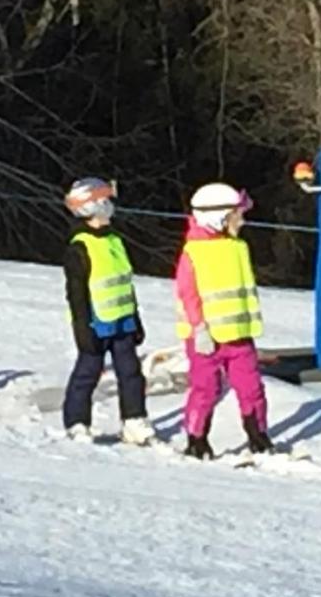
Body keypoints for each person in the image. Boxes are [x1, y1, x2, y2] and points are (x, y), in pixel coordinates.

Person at [174, 182, 273, 459]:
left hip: (239, 336)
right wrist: (199, 328)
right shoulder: (194, 252)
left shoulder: (238, 247)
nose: (242, 220)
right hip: (206, 339)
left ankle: (258, 434)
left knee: (251, 388)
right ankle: (197, 438)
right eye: (236, 214)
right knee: (206, 389)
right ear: (217, 217)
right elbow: (188, 293)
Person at [61, 177, 154, 445]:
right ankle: (77, 421)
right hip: (96, 322)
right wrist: (82, 328)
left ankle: (134, 419)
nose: (111, 207)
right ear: (93, 206)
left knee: (131, 372)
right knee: (88, 372)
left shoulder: (114, 239)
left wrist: (135, 318)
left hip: (122, 322)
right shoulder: (80, 246)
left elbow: (125, 281)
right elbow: (76, 293)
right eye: (106, 201)